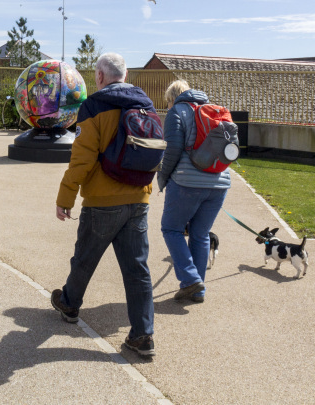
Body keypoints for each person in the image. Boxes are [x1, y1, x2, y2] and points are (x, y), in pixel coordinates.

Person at [52, 53, 156, 357]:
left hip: (102, 200)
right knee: (137, 270)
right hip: (138, 198)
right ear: (124, 75)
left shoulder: (94, 106)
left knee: (85, 257)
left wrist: (65, 197)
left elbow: (82, 159)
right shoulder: (145, 104)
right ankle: (143, 335)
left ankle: (70, 304)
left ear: (99, 76)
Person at [157, 80, 231, 304]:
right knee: (200, 234)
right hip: (219, 183)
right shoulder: (215, 111)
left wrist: (162, 178)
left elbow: (172, 150)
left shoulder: (176, 112)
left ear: (172, 98)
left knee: (171, 228)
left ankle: (190, 280)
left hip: (187, 183)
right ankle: (197, 290)